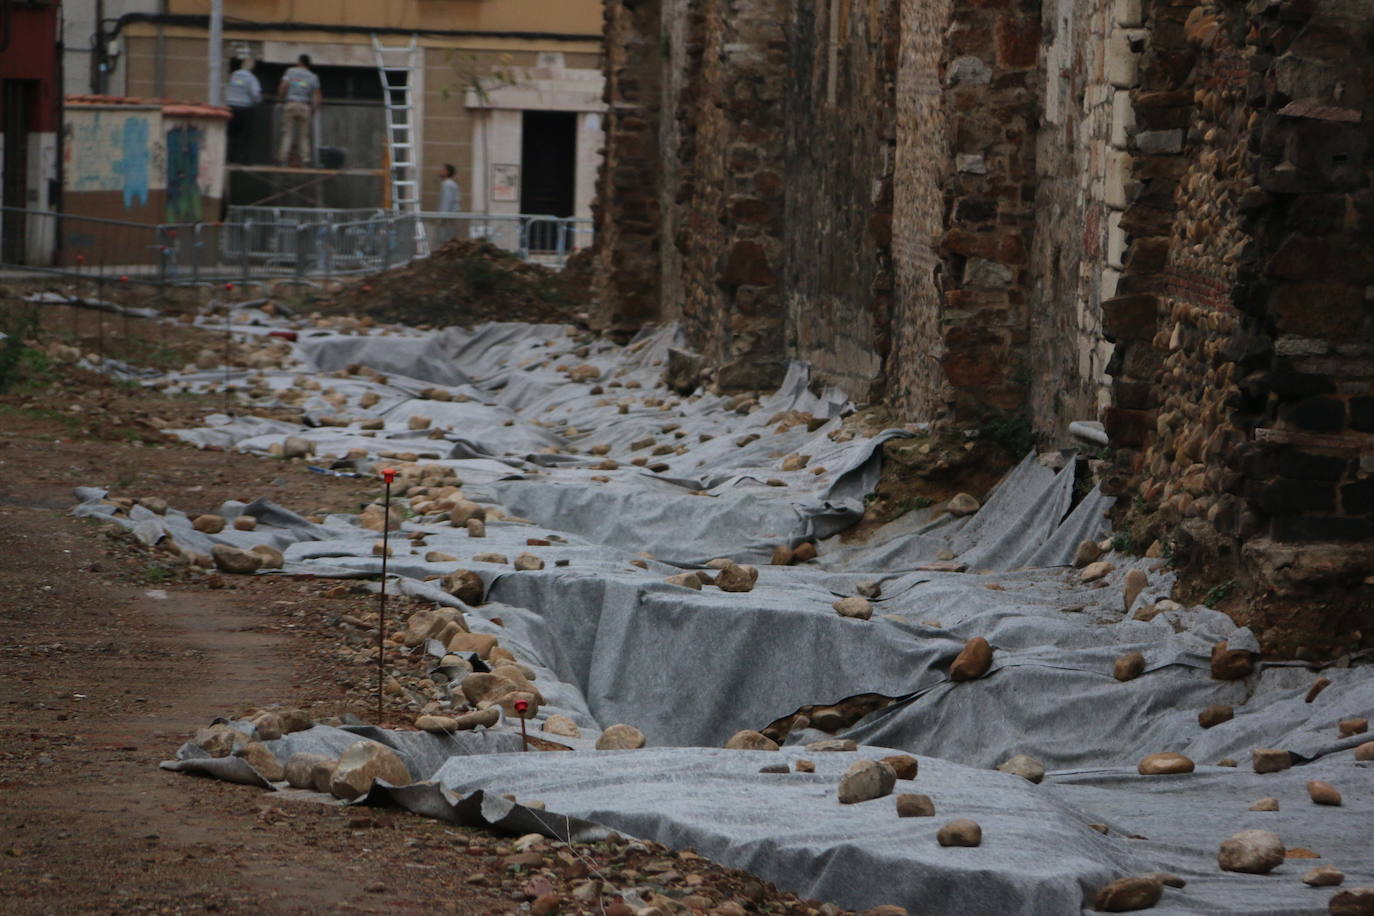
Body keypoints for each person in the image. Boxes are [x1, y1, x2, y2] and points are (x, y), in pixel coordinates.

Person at [276, 54, 322, 167]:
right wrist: (313, 110)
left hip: (290, 104)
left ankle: (283, 160)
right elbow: (317, 96)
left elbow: (284, 86)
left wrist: (280, 101)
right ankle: (305, 160)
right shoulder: (313, 76)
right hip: (305, 106)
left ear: (300, 62)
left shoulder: (290, 72)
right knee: (304, 136)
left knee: (287, 134)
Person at [225, 58, 262, 164]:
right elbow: (256, 94)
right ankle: (243, 159)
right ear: (252, 67)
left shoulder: (233, 76)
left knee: (231, 135)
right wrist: (257, 101)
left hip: (231, 107)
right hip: (245, 109)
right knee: (244, 135)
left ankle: (230, 158)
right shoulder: (251, 78)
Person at [436, 163, 461, 243]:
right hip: (451, 215)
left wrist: (443, 216)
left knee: (445, 239)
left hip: (449, 216)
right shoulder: (451, 184)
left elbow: (446, 201)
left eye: (442, 170)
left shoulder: (447, 184)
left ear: (447, 172)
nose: (439, 171)